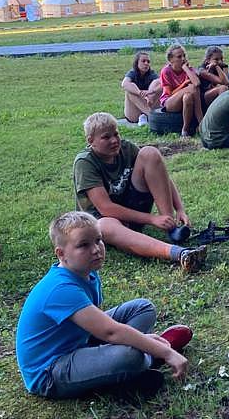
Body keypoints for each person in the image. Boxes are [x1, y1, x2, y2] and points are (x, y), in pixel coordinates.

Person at [15, 210, 192, 400]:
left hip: (79, 342)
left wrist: (140, 341)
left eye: (98, 240)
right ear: (61, 254)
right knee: (131, 357)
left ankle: (139, 358)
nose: (96, 249)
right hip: (50, 372)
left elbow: (100, 328)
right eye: (83, 245)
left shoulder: (87, 271)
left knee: (143, 308)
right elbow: (110, 332)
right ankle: (145, 359)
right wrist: (166, 352)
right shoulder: (60, 289)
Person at [72, 112, 206, 272]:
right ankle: (179, 253)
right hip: (106, 220)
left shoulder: (126, 148)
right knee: (102, 226)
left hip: (131, 209)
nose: (114, 140)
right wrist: (152, 219)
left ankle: (171, 227)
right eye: (106, 137)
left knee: (150, 153)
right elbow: (106, 208)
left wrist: (180, 209)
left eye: (116, 134)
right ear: (90, 141)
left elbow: (161, 176)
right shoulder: (85, 162)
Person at [159, 44, 203, 139]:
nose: (183, 59)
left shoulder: (187, 69)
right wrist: (183, 85)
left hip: (185, 99)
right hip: (169, 102)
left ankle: (185, 130)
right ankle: (201, 123)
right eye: (179, 57)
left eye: (184, 56)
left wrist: (186, 69)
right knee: (192, 88)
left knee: (188, 97)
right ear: (171, 59)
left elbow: (197, 82)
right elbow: (170, 93)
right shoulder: (166, 71)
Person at [121, 50, 161, 126]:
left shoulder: (152, 74)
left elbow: (162, 84)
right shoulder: (132, 73)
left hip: (149, 103)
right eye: (143, 61)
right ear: (137, 63)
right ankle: (151, 115)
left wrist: (150, 92)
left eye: (148, 62)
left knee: (157, 83)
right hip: (134, 113)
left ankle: (147, 115)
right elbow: (124, 84)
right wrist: (139, 93)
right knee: (129, 91)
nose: (146, 63)